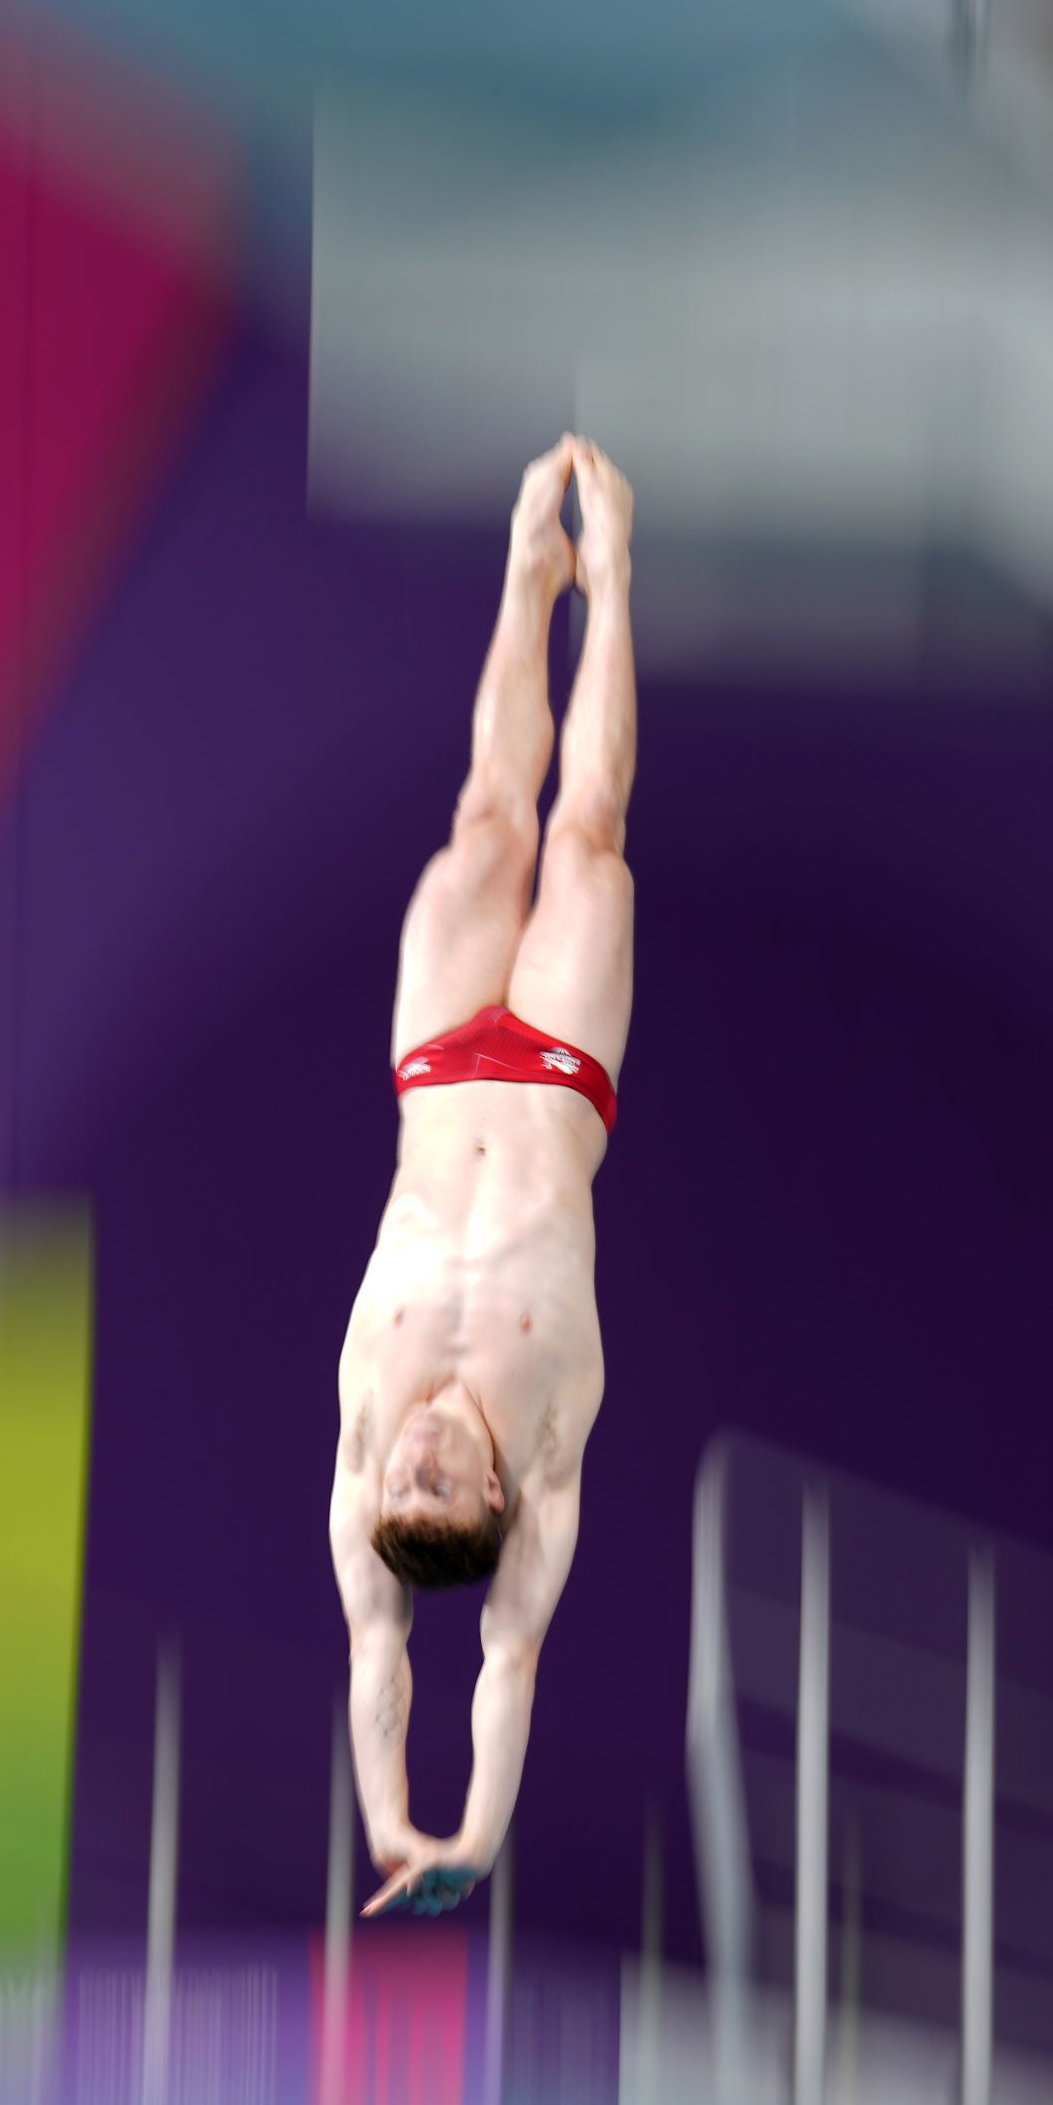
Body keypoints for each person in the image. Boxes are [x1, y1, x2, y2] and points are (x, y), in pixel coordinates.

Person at [330, 435, 635, 1914]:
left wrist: (393, 1810)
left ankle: (530, 570)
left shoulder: (367, 1488)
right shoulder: (552, 1475)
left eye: (409, 1464)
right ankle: (616, 584)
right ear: (503, 1487)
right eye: (448, 1467)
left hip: (439, 1066)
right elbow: (500, 1663)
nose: (425, 1442)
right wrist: (476, 1833)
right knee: (582, 845)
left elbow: (377, 1655)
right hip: (562, 1082)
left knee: (483, 820)